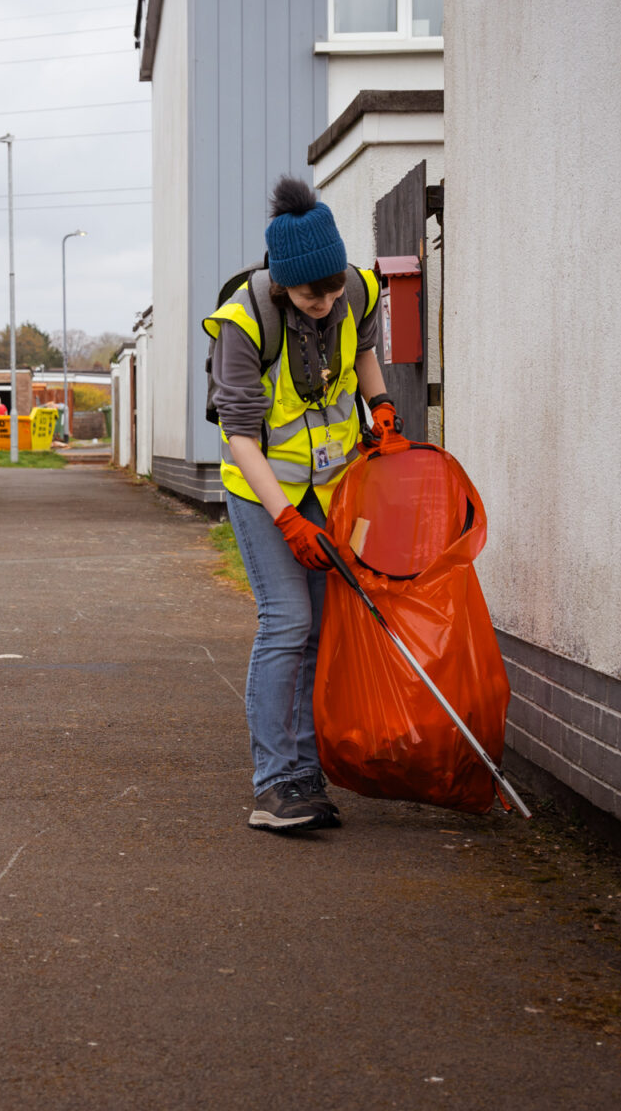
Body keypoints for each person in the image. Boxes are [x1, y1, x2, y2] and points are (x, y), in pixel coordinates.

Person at [203, 175, 397, 833]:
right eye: (315, 293)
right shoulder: (243, 322)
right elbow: (240, 439)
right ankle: (274, 782)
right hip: (262, 490)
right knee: (286, 623)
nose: (330, 301)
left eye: (336, 285)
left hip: (329, 484)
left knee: (320, 632)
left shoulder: (358, 290)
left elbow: (365, 352)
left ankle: (306, 775)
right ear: (285, 282)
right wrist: (285, 518)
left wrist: (383, 408)